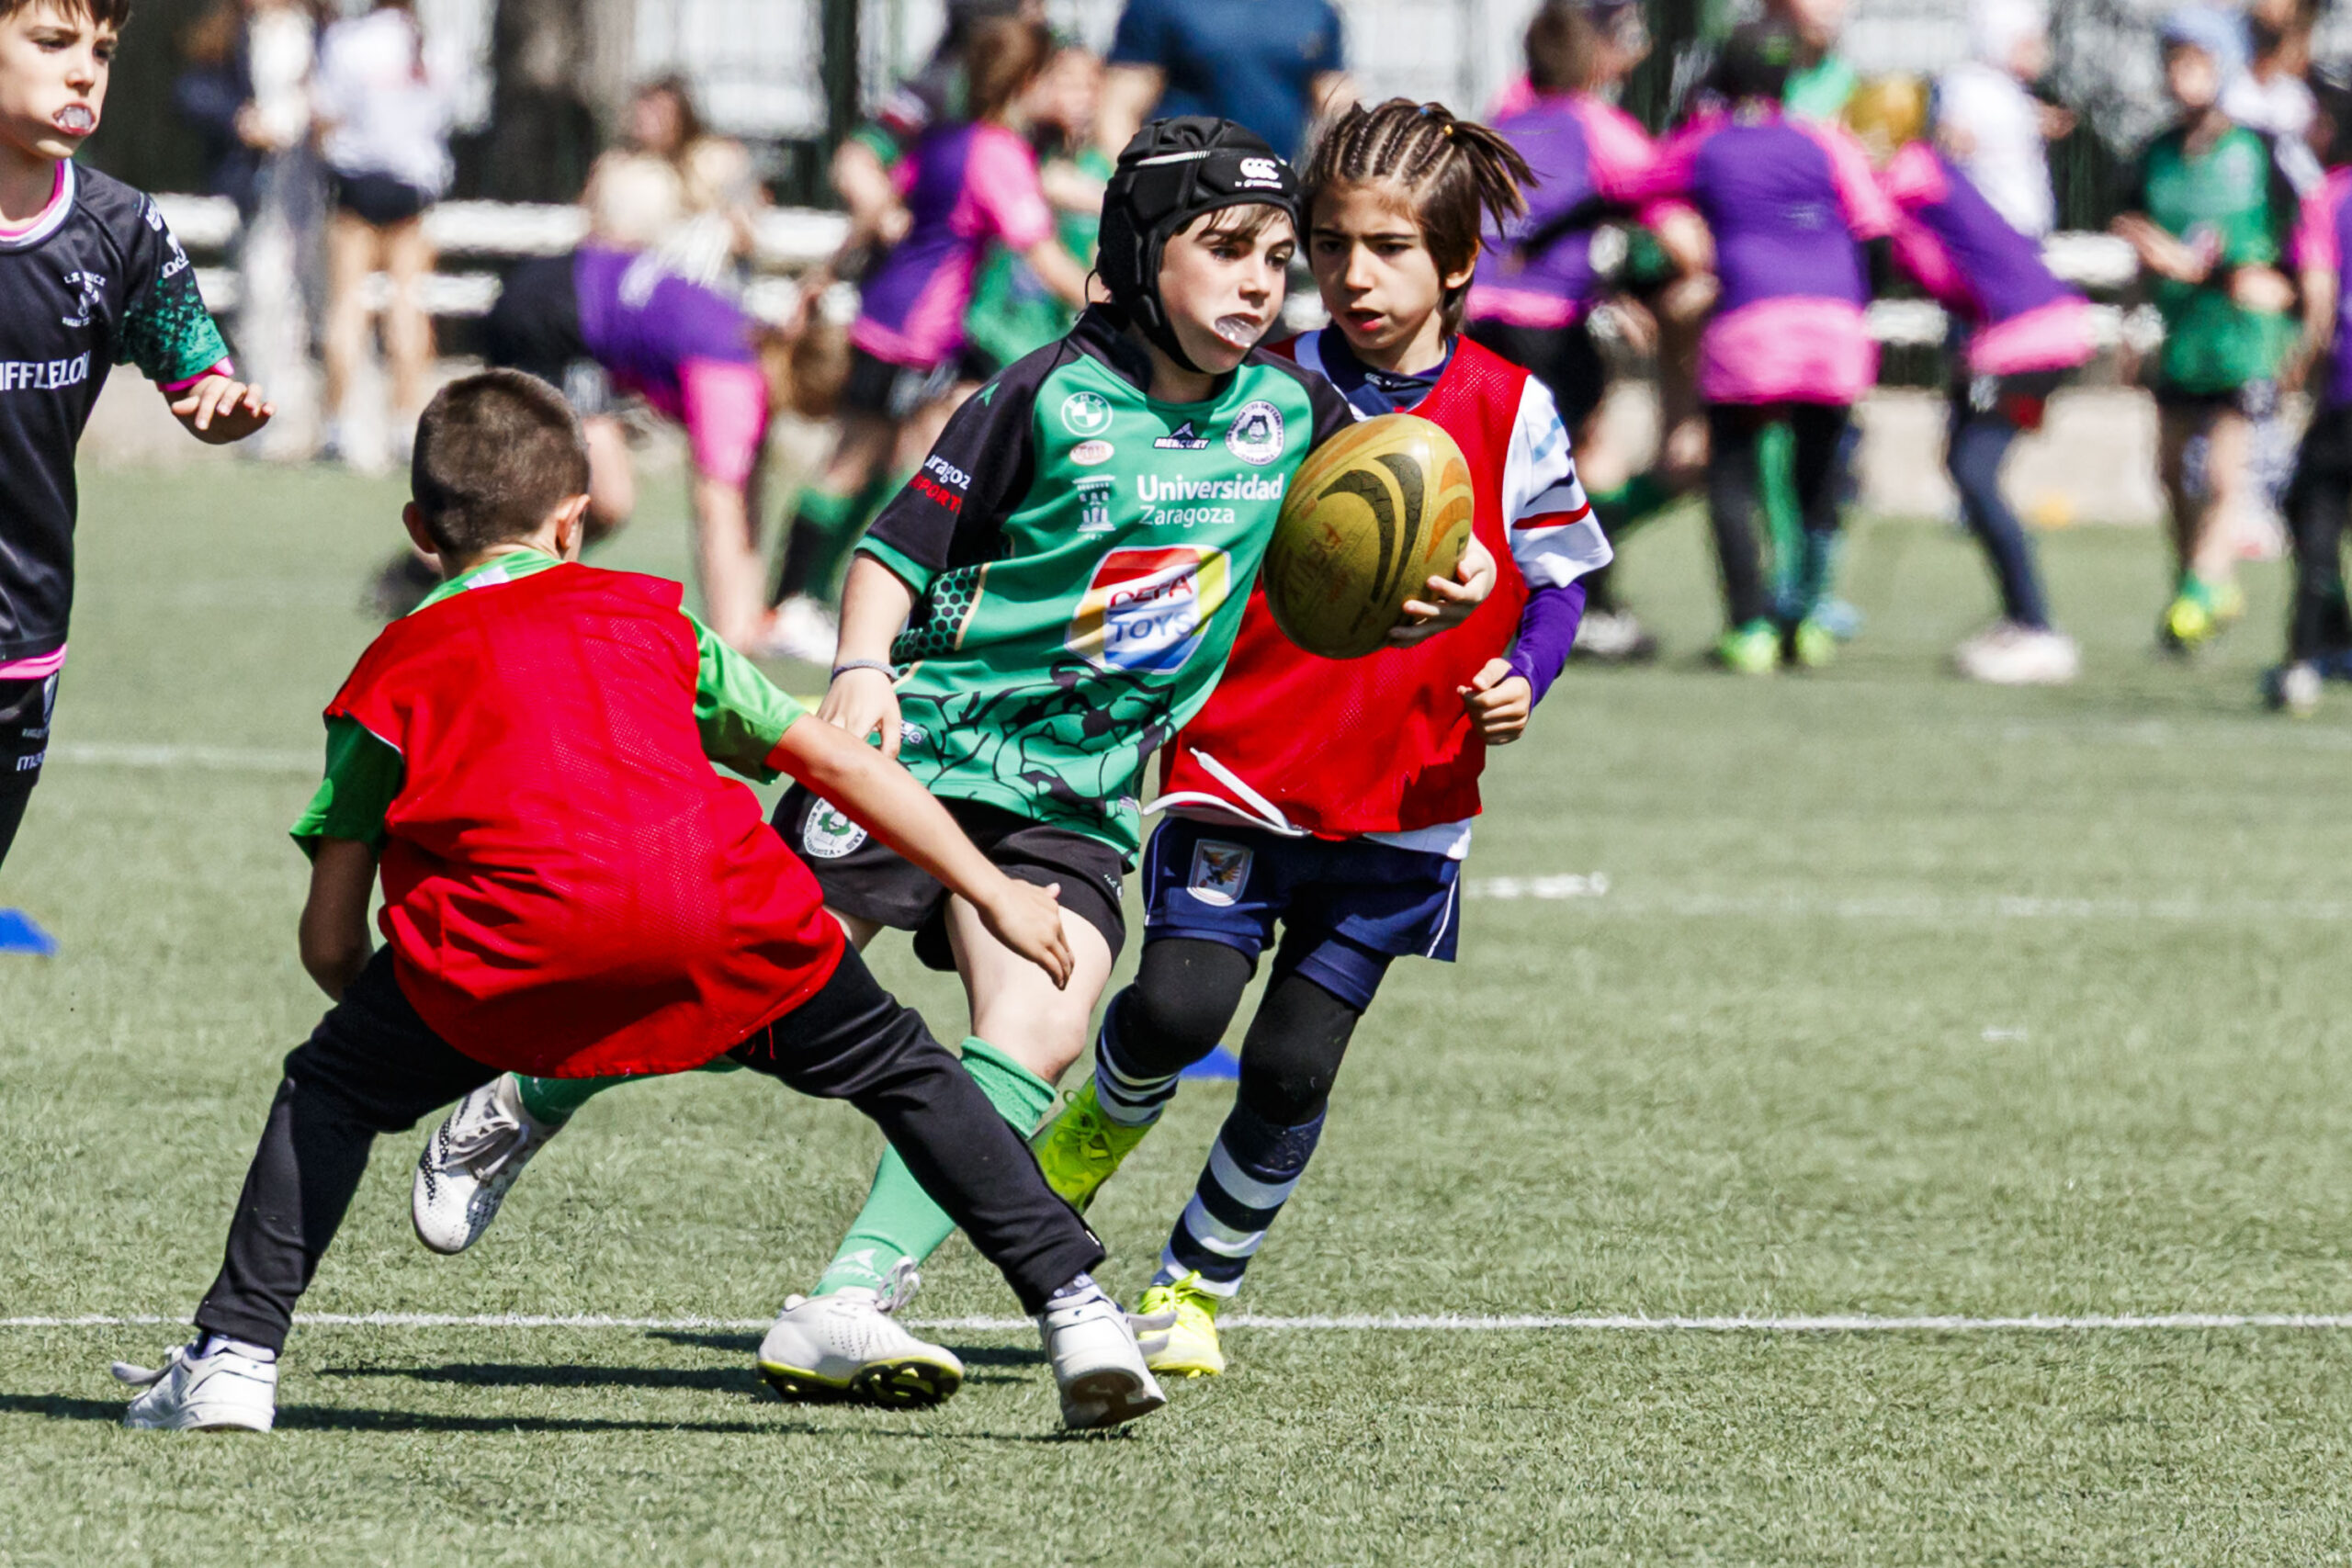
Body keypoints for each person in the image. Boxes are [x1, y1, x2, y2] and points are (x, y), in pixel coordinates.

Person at [405, 118, 1497, 1407]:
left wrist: (1447, 573)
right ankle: (533, 1090)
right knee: (745, 989)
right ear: (1140, 257)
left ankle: (851, 1296)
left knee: (1042, 1023)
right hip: (920, 750)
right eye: (1223, 250)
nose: (1260, 283)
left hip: (1077, 796)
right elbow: (893, 549)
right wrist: (863, 668)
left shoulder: (1291, 410)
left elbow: (1390, 520)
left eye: (1275, 257)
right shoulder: (1043, 395)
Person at [111, 371, 1164, 1435]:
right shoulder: (653, 620)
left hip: (503, 956)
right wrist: (993, 891)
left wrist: (407, 1027)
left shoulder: (388, 674)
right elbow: (840, 763)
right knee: (909, 1073)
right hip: (726, 924)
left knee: (327, 1090)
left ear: (418, 530)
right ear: (574, 521)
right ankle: (1078, 1316)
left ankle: (235, 1360)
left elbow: (330, 937)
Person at [1024, 98, 1611, 1378]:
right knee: (1177, 1007)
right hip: (1237, 766)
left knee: (1291, 1065)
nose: (1353, 276)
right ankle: (1089, 1132)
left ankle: (1192, 1286)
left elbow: (1561, 578)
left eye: (1389, 249)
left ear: (1456, 261)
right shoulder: (1257, 385)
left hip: (1406, 794)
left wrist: (1522, 673)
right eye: (1331, 245)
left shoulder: (1513, 408)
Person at [0, 0, 272, 875]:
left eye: (104, 51)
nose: (84, 71)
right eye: (52, 42)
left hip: (23, 626)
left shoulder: (120, 229)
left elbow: (197, 373)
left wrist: (218, 402)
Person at [762, 15, 1087, 664]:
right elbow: (1041, 251)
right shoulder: (998, 153)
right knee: (864, 464)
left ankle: (816, 602)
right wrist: (1109, 300)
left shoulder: (944, 140)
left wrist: (824, 274)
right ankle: (792, 605)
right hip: (913, 331)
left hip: (890, 314)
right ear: (1028, 80)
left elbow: (883, 211)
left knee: (894, 464)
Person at [1622, 22, 1896, 673]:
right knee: (1819, 474)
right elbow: (1877, 228)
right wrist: (1856, 306)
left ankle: (1750, 629)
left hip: (1750, 323)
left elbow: (1632, 191)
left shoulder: (1704, 143)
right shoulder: (1825, 141)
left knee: (1732, 475)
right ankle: (1808, 620)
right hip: (1835, 326)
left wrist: (1637, 278)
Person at [366, 245, 784, 650]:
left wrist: (751, 613)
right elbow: (719, 505)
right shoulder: (731, 373)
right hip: (549, 320)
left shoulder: (747, 340)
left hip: (552, 294)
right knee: (597, 500)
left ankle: (445, 571)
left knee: (582, 503)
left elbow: (746, 493)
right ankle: (450, 575)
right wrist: (732, 636)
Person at [1858, 77, 2092, 685]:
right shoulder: (1917, 178)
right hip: (2019, 337)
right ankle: (2022, 618)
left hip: (2031, 338)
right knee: (1966, 466)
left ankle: (2037, 626)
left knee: (1974, 470)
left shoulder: (1911, 171)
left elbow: (1866, 218)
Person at [1467, 0, 1671, 663]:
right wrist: (1648, 285)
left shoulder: (1501, 119)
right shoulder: (1593, 123)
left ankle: (1488, 612)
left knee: (1497, 466)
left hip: (1479, 314)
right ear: (1591, 61)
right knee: (1583, 458)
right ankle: (1588, 609)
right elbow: (1662, 194)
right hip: (1549, 319)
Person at [2111, 6, 2299, 652]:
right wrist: (2133, 326)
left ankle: (2199, 587)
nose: (2181, 74)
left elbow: (2294, 249)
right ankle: (2201, 577)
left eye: (2195, 61)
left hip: (2241, 339)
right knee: (2169, 472)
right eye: (2174, 61)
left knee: (2224, 475)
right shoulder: (2154, 155)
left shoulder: (2259, 151)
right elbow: (2138, 249)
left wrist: (2284, 309)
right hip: (2180, 339)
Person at [311, 0, 453, 465]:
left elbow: (326, 113)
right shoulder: (435, 46)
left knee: (347, 304)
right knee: (407, 305)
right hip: (412, 186)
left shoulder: (349, 42)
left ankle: (337, 424)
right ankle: (404, 422)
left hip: (358, 183)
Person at [2268, 95, 2352, 714]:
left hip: (2347, 394)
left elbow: (2319, 305)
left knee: (2312, 510)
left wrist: (2296, 370)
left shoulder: (2328, 197)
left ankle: (2305, 658)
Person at [1097, 0, 1351, 164]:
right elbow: (1117, 111)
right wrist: (1141, 189)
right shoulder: (1160, 6)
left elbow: (1338, 105)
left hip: (1275, 194)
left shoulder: (1314, 10)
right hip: (1187, 196)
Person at [581, 74, 764, 288]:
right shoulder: (615, 170)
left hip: (701, 284)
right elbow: (592, 233)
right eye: (645, 109)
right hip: (631, 281)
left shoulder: (715, 161)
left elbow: (744, 235)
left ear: (680, 114)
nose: (649, 119)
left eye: (659, 111)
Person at [1933, 0, 2064, 240]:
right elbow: (1952, 141)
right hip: (1991, 230)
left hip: (2024, 227)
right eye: (2029, 44)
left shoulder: (2010, 89)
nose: (2041, 55)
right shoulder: (1967, 84)